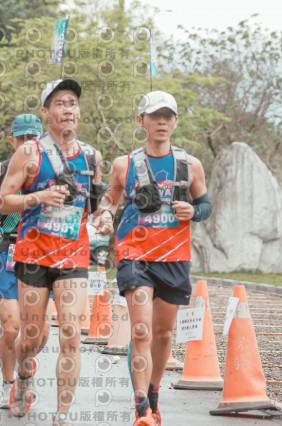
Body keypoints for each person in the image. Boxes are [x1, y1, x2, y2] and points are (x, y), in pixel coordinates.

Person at [95, 91, 211, 426]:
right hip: (135, 257)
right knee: (142, 330)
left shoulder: (190, 165)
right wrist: (105, 215)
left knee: (162, 334)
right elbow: (109, 201)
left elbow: (205, 205)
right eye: (155, 116)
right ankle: (141, 406)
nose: (162, 122)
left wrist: (193, 211)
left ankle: (154, 393)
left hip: (174, 258)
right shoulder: (124, 165)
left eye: (167, 116)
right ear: (141, 120)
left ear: (175, 121)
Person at [0, 79, 104, 426]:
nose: (67, 109)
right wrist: (38, 197)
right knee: (31, 338)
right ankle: (24, 372)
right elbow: (3, 202)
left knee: (71, 333)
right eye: (59, 103)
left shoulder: (91, 156)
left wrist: (105, 216)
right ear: (46, 112)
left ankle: (62, 415)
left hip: (74, 256)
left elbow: (97, 205)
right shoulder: (29, 153)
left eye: (72, 103)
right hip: (33, 256)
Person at [0, 114, 51, 408]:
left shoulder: (52, 171)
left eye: (33, 138)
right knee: (11, 328)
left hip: (43, 253)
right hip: (9, 250)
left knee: (40, 333)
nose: (28, 143)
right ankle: (9, 384)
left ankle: (24, 366)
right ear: (12, 141)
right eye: (22, 139)